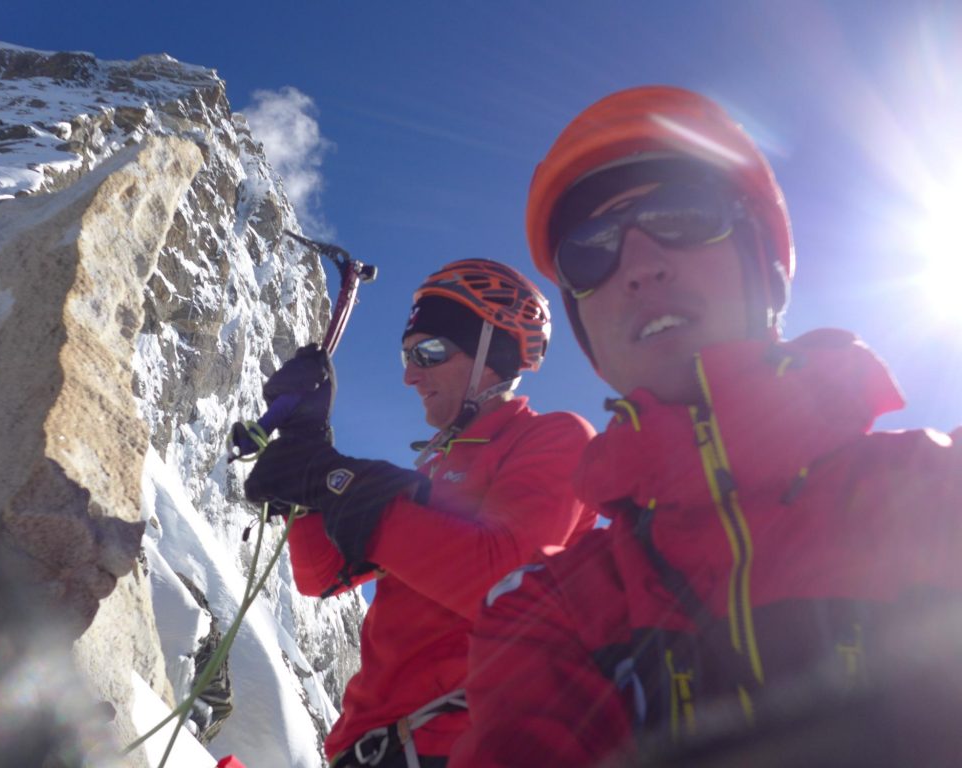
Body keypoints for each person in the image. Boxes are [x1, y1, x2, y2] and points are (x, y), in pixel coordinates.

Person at [449, 86, 962, 767]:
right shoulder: (548, 612)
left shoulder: (942, 489)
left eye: (682, 215)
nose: (638, 266)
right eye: (591, 251)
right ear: (583, 328)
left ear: (766, 267)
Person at [244, 258, 597, 768]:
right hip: (372, 747)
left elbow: (502, 579)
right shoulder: (434, 467)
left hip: (457, 745)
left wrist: (344, 483)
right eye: (406, 355)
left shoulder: (555, 438)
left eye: (429, 353)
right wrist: (310, 461)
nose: (410, 375)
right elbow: (318, 574)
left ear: (490, 354)